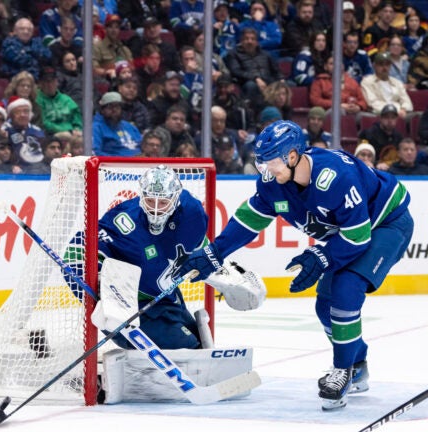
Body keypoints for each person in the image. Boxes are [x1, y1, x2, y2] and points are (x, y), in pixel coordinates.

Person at [179, 119, 413, 411]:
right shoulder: (273, 183)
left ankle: (342, 371)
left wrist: (321, 256)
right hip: (351, 233)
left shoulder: (336, 177)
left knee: (345, 289)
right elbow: (251, 218)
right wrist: (215, 252)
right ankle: (357, 365)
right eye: (261, 162)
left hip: (387, 223)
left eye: (271, 161)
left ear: (292, 156)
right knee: (324, 305)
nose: (266, 169)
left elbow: (358, 237)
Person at [62, 165, 208, 350]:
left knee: (198, 341)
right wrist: (101, 293)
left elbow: (203, 250)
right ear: (142, 195)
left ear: (175, 198)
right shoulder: (124, 219)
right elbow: (76, 251)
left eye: (163, 202)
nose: (156, 209)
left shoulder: (191, 214)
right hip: (133, 309)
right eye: (150, 200)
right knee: (188, 347)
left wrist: (220, 269)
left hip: (168, 299)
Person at [92, 91, 142, 156]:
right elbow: (94, 152)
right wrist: (120, 159)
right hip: (113, 161)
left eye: (117, 106)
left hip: (138, 160)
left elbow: (142, 146)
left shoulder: (129, 126)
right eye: (110, 107)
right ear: (102, 110)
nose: (114, 110)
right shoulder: (96, 127)